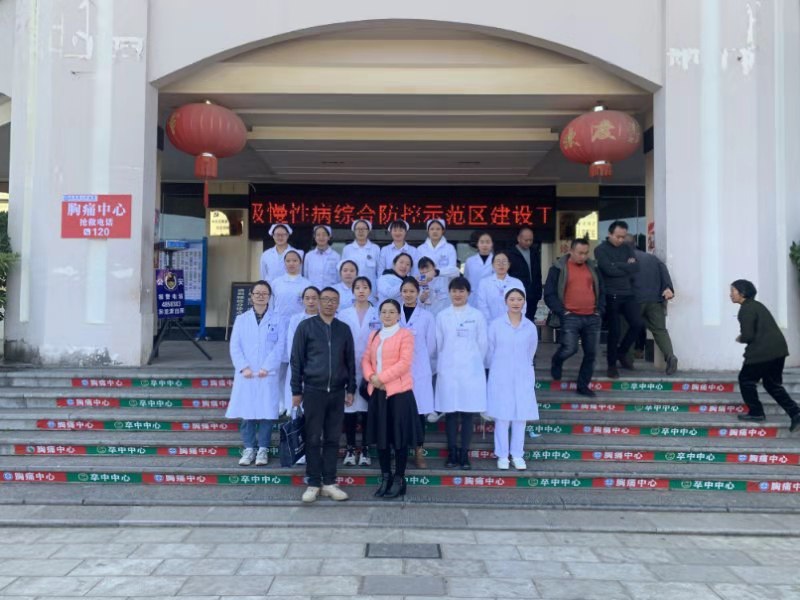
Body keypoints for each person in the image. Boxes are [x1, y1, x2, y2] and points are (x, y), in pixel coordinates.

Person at [291, 287, 356, 503]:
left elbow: (350, 361)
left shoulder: (343, 329)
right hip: (313, 390)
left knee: (332, 438)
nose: (329, 303)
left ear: (338, 304)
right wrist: (296, 390)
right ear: (318, 302)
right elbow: (297, 360)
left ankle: (329, 482)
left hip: (337, 391)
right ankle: (313, 482)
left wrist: (351, 388)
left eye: (333, 300)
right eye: (325, 299)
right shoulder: (306, 327)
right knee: (312, 437)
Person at [362, 299, 421, 498]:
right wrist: (372, 377)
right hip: (377, 393)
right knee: (382, 439)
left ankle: (399, 479)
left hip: (399, 394)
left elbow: (404, 363)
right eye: (384, 312)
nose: (387, 315)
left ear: (398, 315)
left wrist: (382, 378)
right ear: (379, 315)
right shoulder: (374, 335)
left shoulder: (405, 334)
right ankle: (385, 476)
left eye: (392, 312)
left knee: (399, 439)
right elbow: (366, 359)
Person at [226, 281, 285, 467]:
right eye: (257, 293)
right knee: (248, 412)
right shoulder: (241, 319)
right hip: (247, 374)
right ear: (251, 296)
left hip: (268, 374)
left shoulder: (278, 319)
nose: (260, 296)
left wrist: (267, 367)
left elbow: (280, 346)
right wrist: (243, 367)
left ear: (269, 297)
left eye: (264, 293)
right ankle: (249, 448)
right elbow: (235, 346)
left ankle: (263, 449)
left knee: (267, 413)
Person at [730, 279, 800, 432]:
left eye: (733, 291)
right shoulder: (757, 306)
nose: (731, 294)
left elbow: (748, 335)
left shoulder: (746, 309)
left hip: (762, 352)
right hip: (778, 350)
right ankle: (796, 413)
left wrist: (741, 338)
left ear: (742, 293)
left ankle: (756, 413)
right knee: (772, 385)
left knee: (746, 380)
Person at [435, 277, 488, 470]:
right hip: (448, 369)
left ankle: (464, 454)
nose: (457, 294)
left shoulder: (477, 315)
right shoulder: (442, 316)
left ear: (468, 293)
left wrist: (472, 362)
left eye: (461, 291)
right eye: (454, 291)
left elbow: (483, 344)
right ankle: (452, 453)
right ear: (449, 293)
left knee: (467, 414)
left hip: (470, 370)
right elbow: (438, 343)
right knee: (450, 413)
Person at [544, 238, 605, 397]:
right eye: (580, 253)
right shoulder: (558, 268)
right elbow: (549, 293)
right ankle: (557, 360)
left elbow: (601, 290)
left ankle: (583, 385)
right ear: (570, 251)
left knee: (591, 353)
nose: (583, 256)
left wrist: (599, 310)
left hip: (592, 317)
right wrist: (562, 311)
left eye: (586, 253)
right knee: (570, 348)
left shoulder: (593, 267)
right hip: (570, 316)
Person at [487, 288, 539, 470]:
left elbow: (531, 351)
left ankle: (517, 454)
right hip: (501, 374)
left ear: (524, 302)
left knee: (520, 417)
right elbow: (490, 350)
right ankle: (502, 455)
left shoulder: (530, 327)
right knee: (502, 416)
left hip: (523, 374)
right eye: (512, 299)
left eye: (519, 299)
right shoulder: (496, 325)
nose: (516, 302)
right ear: (506, 302)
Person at [338, 276, 380, 467]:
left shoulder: (377, 313)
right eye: (357, 288)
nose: (361, 291)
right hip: (349, 366)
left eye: (365, 287)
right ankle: (349, 448)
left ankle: (365, 449)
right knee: (350, 409)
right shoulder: (344, 313)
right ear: (352, 291)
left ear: (370, 290)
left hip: (372, 368)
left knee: (368, 411)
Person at [623, 234, 679, 375]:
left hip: (633, 301)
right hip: (654, 301)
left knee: (627, 328)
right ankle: (670, 356)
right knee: (660, 331)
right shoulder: (653, 259)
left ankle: (627, 361)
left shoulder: (624, 259)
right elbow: (664, 274)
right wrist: (668, 288)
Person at [594, 220, 642, 378]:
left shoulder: (627, 248)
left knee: (638, 324)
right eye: (618, 236)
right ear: (609, 234)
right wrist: (626, 266)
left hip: (628, 293)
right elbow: (608, 270)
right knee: (614, 331)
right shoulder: (600, 249)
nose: (621, 240)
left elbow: (636, 267)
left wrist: (618, 265)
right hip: (611, 294)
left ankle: (622, 352)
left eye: (623, 237)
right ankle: (611, 365)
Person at [399, 276, 437, 468]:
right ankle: (401, 450)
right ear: (400, 293)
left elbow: (431, 345)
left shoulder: (427, 316)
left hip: (419, 368)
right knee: (399, 412)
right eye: (405, 291)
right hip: (397, 370)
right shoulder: (393, 312)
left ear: (418, 293)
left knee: (419, 412)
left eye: (412, 291)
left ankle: (419, 451)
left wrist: (418, 357)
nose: (408, 295)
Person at [271, 250, 312, 413]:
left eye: (295, 260)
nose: (291, 263)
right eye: (288, 261)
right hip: (280, 328)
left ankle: (294, 403)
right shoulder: (276, 283)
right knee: (280, 368)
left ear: (300, 263)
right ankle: (281, 402)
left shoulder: (307, 284)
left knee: (297, 367)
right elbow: (271, 307)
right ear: (284, 263)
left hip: (299, 328)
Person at [283, 286, 320, 420]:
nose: (311, 301)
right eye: (307, 298)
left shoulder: (326, 318)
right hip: (298, 367)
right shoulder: (295, 319)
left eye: (314, 298)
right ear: (302, 300)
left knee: (316, 410)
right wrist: (299, 364)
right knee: (297, 410)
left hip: (319, 368)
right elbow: (291, 345)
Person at [475, 251, 526, 324]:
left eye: (504, 261)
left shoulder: (517, 283)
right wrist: (491, 324)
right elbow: (482, 305)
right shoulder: (484, 283)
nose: (501, 264)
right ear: (493, 265)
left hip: (512, 324)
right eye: (498, 261)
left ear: (509, 265)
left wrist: (515, 322)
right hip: (490, 324)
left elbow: (523, 305)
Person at [507, 227, 543, 321]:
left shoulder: (534, 253)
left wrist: (538, 293)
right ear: (519, 238)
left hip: (533, 296)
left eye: (531, 240)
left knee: (529, 320)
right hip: (517, 295)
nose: (528, 242)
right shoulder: (510, 254)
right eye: (526, 240)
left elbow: (538, 274)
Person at [342, 219, 381, 301]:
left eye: (363, 229)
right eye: (358, 229)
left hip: (371, 290)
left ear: (368, 231)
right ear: (354, 231)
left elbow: (379, 272)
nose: (361, 231)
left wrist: (378, 291)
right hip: (351, 289)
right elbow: (342, 272)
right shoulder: (347, 249)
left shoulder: (375, 249)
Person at [303, 224, 340, 288]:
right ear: (314, 237)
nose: (321, 237)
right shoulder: (309, 256)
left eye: (324, 235)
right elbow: (306, 276)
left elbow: (339, 278)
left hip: (330, 291)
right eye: (318, 235)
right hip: (313, 292)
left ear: (329, 237)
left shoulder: (336, 256)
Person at [464, 232, 494, 307]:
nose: (485, 245)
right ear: (477, 244)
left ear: (492, 244)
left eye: (488, 242)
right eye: (482, 242)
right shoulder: (470, 261)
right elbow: (466, 279)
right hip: (473, 297)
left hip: (491, 296)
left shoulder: (497, 260)